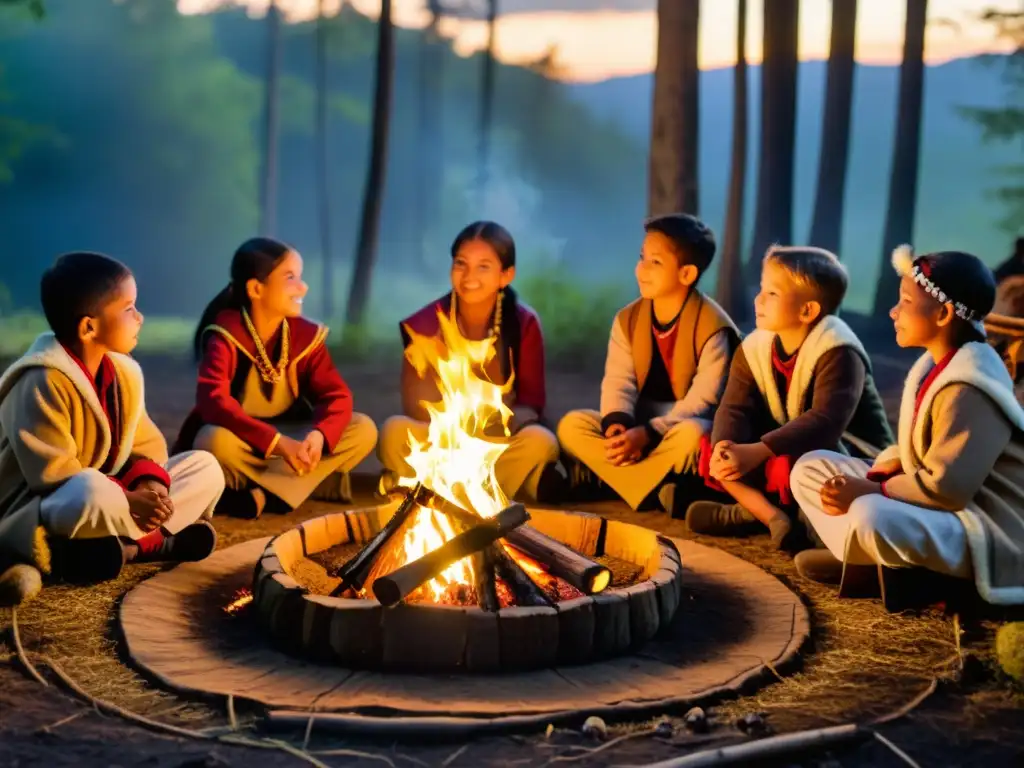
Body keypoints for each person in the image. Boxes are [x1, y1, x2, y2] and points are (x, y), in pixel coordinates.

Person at [791, 247, 1024, 611]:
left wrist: (873, 488)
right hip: (935, 500)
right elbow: (929, 445)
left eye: (904, 301)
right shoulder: (938, 362)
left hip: (979, 523)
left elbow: (948, 489)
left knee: (872, 512)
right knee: (811, 467)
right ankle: (869, 559)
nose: (893, 311)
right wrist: (893, 462)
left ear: (944, 313)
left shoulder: (971, 383)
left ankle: (903, 569)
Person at [0, 252, 225, 604]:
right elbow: (52, 476)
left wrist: (150, 486)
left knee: (205, 467)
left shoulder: (122, 373)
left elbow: (146, 443)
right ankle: (156, 542)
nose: (140, 317)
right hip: (47, 503)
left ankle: (120, 547)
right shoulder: (40, 380)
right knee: (92, 490)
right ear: (89, 327)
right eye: (129, 309)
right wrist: (131, 500)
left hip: (119, 499)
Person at [686, 246, 893, 548]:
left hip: (846, 454)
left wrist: (757, 451)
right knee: (712, 445)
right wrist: (726, 447)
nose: (758, 299)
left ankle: (765, 515)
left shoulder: (838, 350)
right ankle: (771, 516)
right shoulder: (755, 347)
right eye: (761, 289)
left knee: (805, 460)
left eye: (772, 293)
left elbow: (825, 422)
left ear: (807, 310)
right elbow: (735, 408)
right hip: (782, 446)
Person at [174, 237, 377, 519]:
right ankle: (296, 488)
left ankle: (261, 496)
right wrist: (277, 444)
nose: (303, 287)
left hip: (295, 439)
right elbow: (214, 402)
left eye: (301, 277)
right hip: (245, 442)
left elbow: (337, 395)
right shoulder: (225, 336)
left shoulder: (306, 337)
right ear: (256, 288)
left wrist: (318, 437)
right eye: (290, 277)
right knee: (212, 441)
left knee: (363, 428)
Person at [557, 213, 739, 514]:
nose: (641, 268)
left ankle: (615, 482)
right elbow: (619, 381)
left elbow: (704, 400)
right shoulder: (628, 320)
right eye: (642, 257)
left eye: (655, 262)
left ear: (687, 274)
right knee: (572, 425)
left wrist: (650, 434)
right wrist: (618, 425)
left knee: (697, 436)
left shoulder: (713, 327)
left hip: (676, 428)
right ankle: (653, 487)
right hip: (637, 426)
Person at [376, 221, 562, 503]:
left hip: (495, 442)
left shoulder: (523, 323)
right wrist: (455, 423)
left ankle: (444, 496)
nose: (469, 275)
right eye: (461, 263)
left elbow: (531, 402)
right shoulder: (426, 323)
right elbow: (414, 404)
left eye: (483, 266)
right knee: (393, 431)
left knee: (541, 441)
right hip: (441, 441)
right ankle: (496, 492)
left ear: (506, 275)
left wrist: (492, 421)